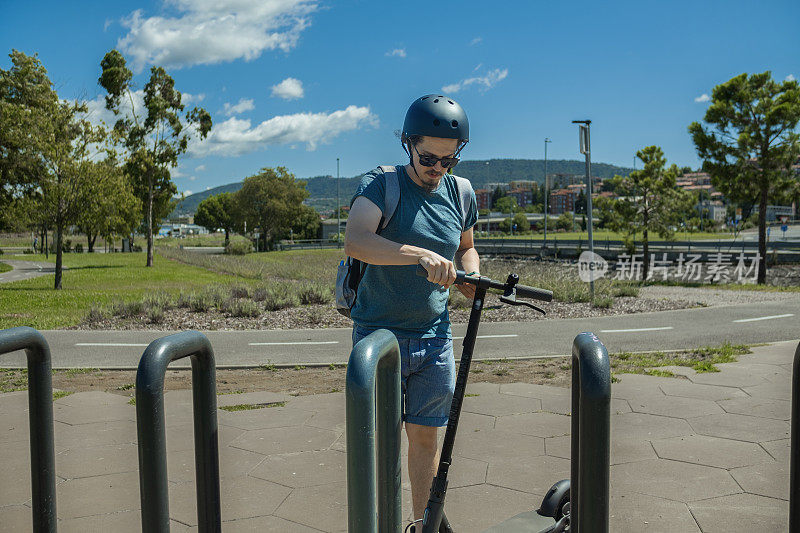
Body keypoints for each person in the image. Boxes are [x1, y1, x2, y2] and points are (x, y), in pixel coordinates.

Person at [344, 94, 480, 521]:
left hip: (434, 336)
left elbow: (468, 248)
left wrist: (470, 276)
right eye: (428, 158)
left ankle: (422, 524)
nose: (437, 169)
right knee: (381, 445)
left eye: (448, 161)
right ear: (408, 144)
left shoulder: (461, 193)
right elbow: (357, 240)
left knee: (425, 441)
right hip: (379, 340)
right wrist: (416, 254)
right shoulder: (380, 185)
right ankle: (379, 523)